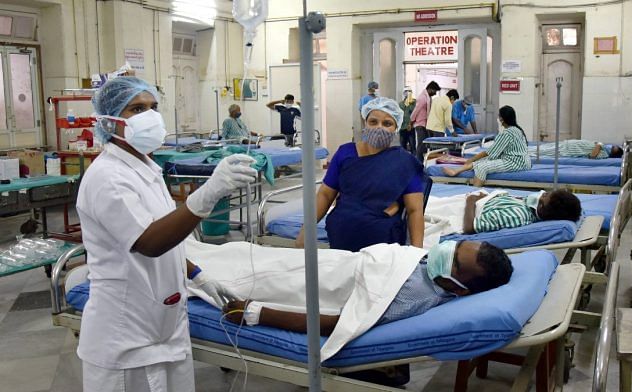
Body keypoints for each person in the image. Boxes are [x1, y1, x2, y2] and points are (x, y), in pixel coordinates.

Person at [77, 77, 257, 391]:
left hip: (166, 330)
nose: (150, 115)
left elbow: (165, 233)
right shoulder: (108, 177)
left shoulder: (146, 168)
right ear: (109, 120)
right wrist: (206, 194)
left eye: (153, 107)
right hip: (127, 338)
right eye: (137, 109)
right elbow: (149, 242)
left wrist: (197, 275)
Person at [223, 240, 512, 335]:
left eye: (455, 263)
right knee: (243, 250)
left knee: (232, 270)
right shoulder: (432, 269)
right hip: (336, 261)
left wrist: (257, 314)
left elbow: (342, 324)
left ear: (461, 289)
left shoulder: (415, 298)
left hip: (322, 281)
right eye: (456, 245)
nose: (446, 251)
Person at [295, 97, 425, 252]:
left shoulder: (404, 162)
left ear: (396, 127)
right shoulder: (345, 154)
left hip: (382, 243)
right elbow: (325, 195)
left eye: (387, 123)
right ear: (365, 123)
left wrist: (417, 252)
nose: (379, 128)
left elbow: (414, 210)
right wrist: (306, 229)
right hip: (341, 235)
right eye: (373, 122)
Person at [443, 106, 531, 187]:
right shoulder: (517, 129)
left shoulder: (507, 133)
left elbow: (489, 152)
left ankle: (474, 193)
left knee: (482, 167)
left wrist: (471, 159)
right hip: (523, 161)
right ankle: (457, 170)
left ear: (502, 119)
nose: (498, 118)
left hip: (516, 162)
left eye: (499, 116)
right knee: (483, 160)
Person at [462, 189, 582, 234]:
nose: (541, 193)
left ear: (541, 208)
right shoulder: (526, 204)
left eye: (545, 195)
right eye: (546, 192)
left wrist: (471, 200)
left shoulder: (517, 215)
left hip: (462, 210)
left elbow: (470, 227)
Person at [411, 81, 441, 162]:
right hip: (420, 124)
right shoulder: (422, 98)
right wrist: (411, 121)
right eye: (435, 91)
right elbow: (416, 111)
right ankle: (419, 162)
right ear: (430, 89)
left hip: (425, 124)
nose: (435, 93)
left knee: (426, 144)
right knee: (421, 144)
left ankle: (424, 161)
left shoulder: (428, 97)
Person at [529, 139, 624, 159]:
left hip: (567, 150)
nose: (611, 147)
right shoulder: (602, 146)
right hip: (568, 144)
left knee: (543, 151)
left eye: (613, 149)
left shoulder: (604, 154)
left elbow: (592, 156)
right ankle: (525, 149)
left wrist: (599, 145)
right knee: (542, 147)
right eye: (613, 146)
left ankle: (525, 153)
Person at [398, 86, 416, 154]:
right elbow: (399, 115)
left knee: (412, 145)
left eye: (409, 91)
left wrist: (410, 103)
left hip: (411, 127)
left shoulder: (414, 102)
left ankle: (413, 160)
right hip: (402, 127)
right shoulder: (401, 104)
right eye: (406, 91)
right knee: (402, 146)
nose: (408, 93)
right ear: (404, 93)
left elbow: (415, 113)